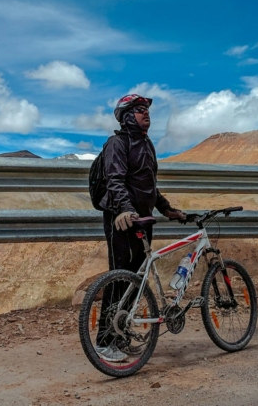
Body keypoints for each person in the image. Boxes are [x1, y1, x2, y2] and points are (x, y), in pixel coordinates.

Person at [95, 93, 185, 362]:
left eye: (146, 109)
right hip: (122, 220)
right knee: (119, 276)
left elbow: (149, 186)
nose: (146, 113)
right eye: (138, 109)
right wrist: (124, 209)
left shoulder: (147, 145)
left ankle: (121, 334)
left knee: (138, 277)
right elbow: (114, 179)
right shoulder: (117, 143)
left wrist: (166, 208)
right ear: (125, 116)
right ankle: (104, 341)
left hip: (144, 219)